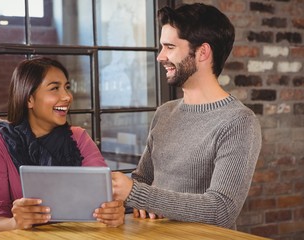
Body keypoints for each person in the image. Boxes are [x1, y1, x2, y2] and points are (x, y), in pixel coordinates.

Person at [111, 3, 262, 229]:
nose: (160, 57)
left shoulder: (239, 121)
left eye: (169, 47)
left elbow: (221, 210)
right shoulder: (165, 113)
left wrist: (136, 193)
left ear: (202, 52)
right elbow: (143, 181)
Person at [0, 57, 125, 232]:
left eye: (67, 87)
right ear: (29, 99)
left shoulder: (78, 137)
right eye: (54, 88)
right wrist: (15, 223)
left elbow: (105, 198)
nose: (67, 97)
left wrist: (113, 212)